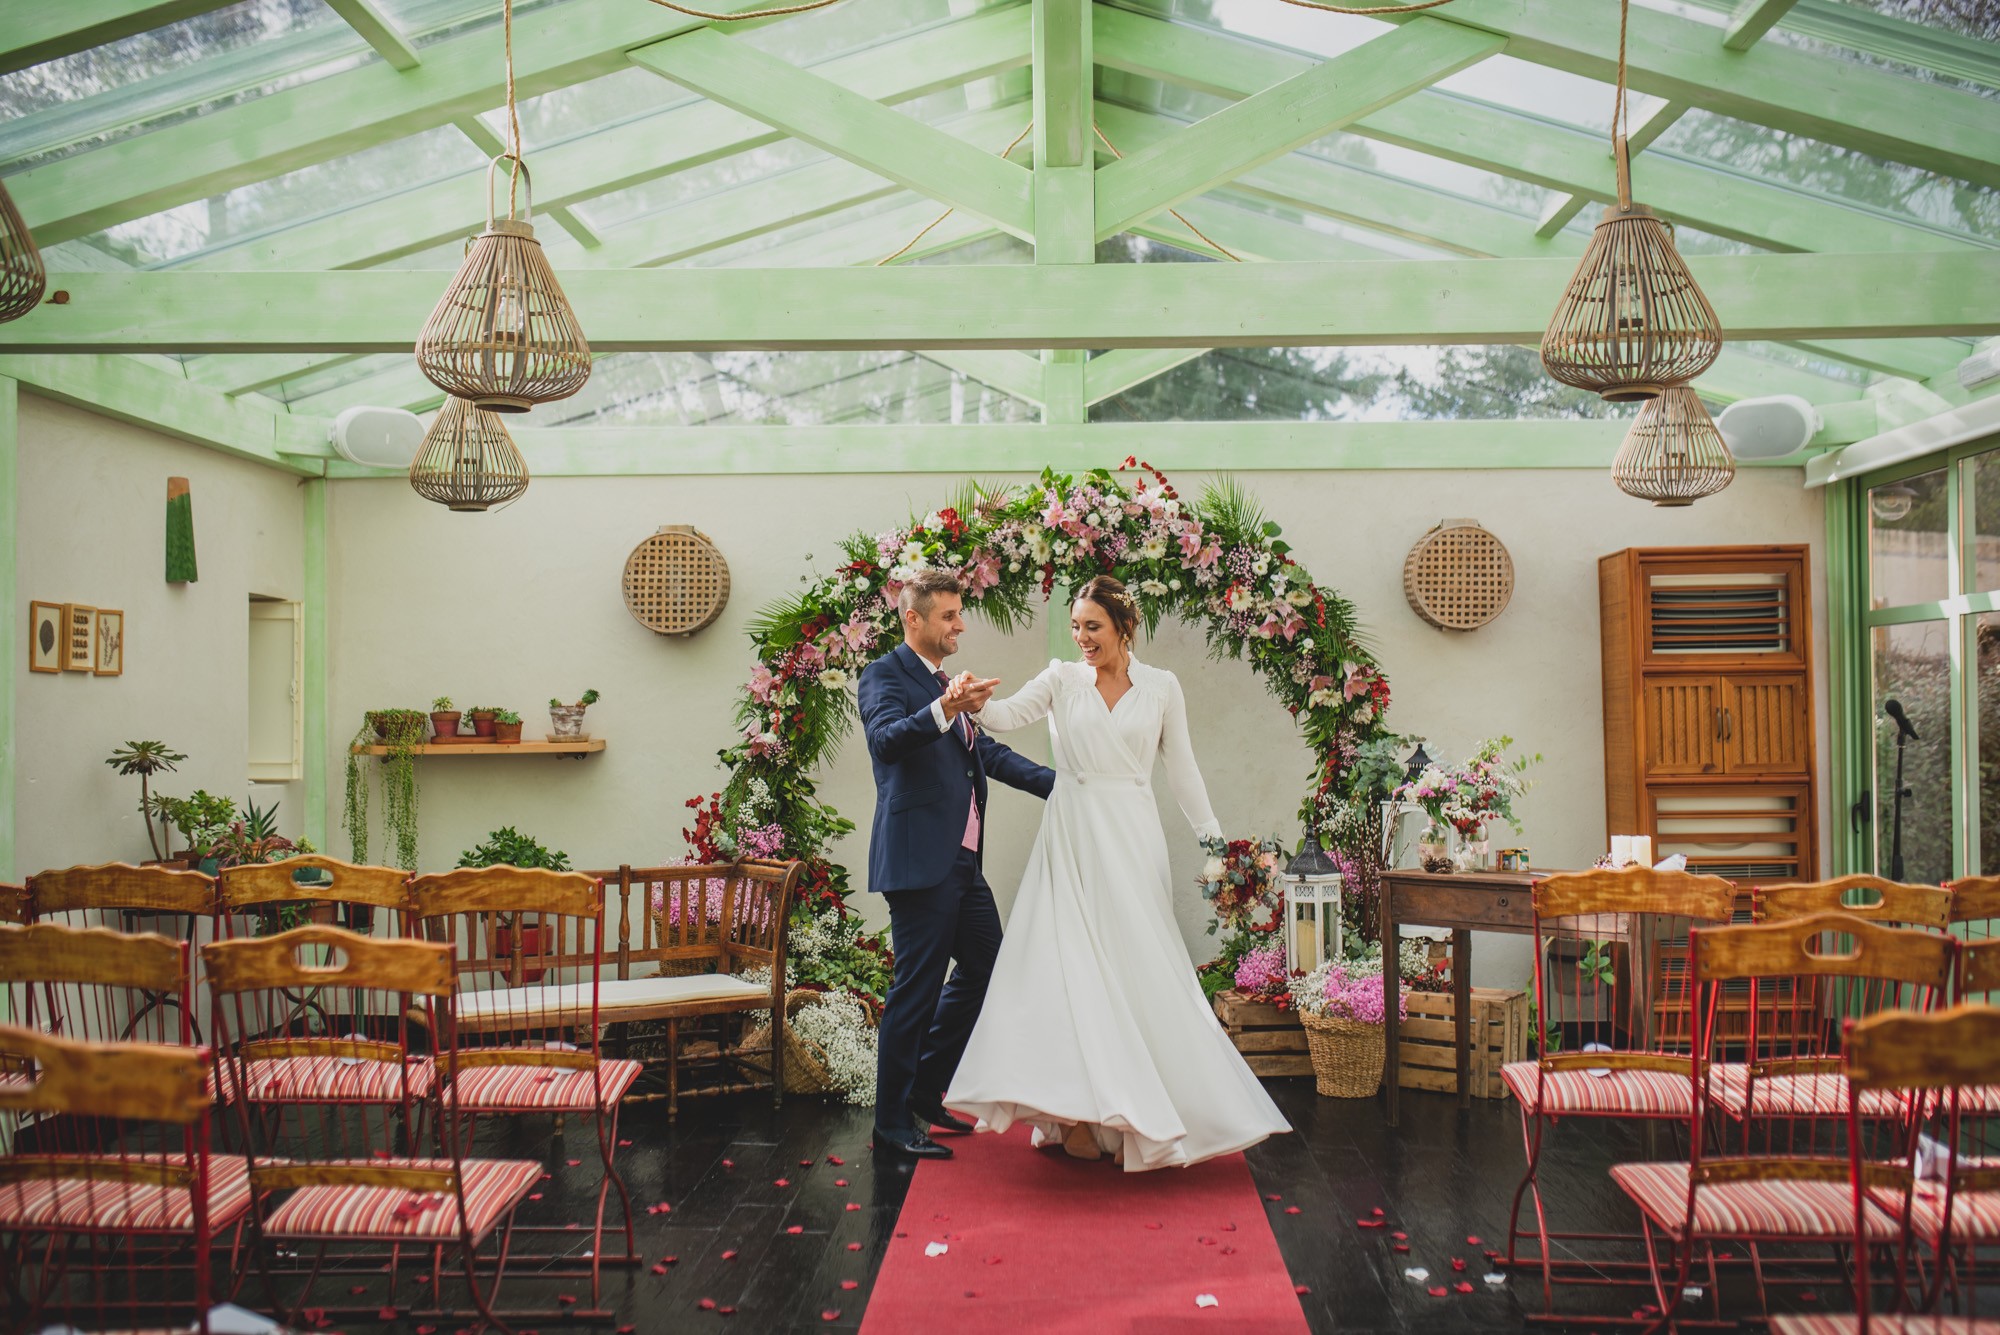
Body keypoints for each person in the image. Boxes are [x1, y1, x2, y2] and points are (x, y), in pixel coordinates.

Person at [944, 574, 1292, 1171]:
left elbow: (1182, 769)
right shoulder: (1061, 678)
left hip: (1132, 835)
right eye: (1076, 626)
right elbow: (1004, 715)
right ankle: (1079, 1116)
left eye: (1093, 627)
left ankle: (1146, 1108)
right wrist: (972, 699)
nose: (1082, 638)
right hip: (1073, 836)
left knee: (1137, 964)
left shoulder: (1161, 687)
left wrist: (1215, 842)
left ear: (1124, 626)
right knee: (1069, 968)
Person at [859, 568, 1056, 1161]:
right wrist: (944, 707)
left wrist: (1065, 786)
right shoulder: (884, 674)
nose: (960, 625)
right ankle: (891, 1122)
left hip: (964, 864)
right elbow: (885, 740)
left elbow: (984, 752)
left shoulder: (948, 686)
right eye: (948, 615)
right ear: (913, 618)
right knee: (915, 990)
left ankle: (926, 1084)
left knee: (988, 968)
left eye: (958, 613)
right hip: (919, 860)